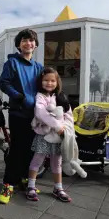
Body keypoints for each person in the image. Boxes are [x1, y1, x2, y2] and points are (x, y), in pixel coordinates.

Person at [0, 29, 43, 204]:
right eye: (24, 40)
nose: (28, 43)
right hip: (18, 113)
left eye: (31, 41)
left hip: (36, 115)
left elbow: (46, 86)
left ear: (35, 45)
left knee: (31, 149)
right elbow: (4, 83)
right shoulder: (12, 63)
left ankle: (25, 179)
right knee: (16, 149)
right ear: (19, 44)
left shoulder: (39, 67)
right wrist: (19, 97)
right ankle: (8, 184)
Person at [26, 67, 72, 202]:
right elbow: (40, 113)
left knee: (57, 162)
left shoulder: (61, 97)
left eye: (52, 80)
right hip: (43, 135)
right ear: (41, 81)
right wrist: (57, 126)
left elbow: (68, 115)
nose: (49, 83)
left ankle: (58, 188)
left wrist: (67, 130)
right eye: (46, 80)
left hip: (58, 137)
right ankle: (31, 186)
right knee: (37, 160)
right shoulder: (40, 96)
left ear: (57, 82)